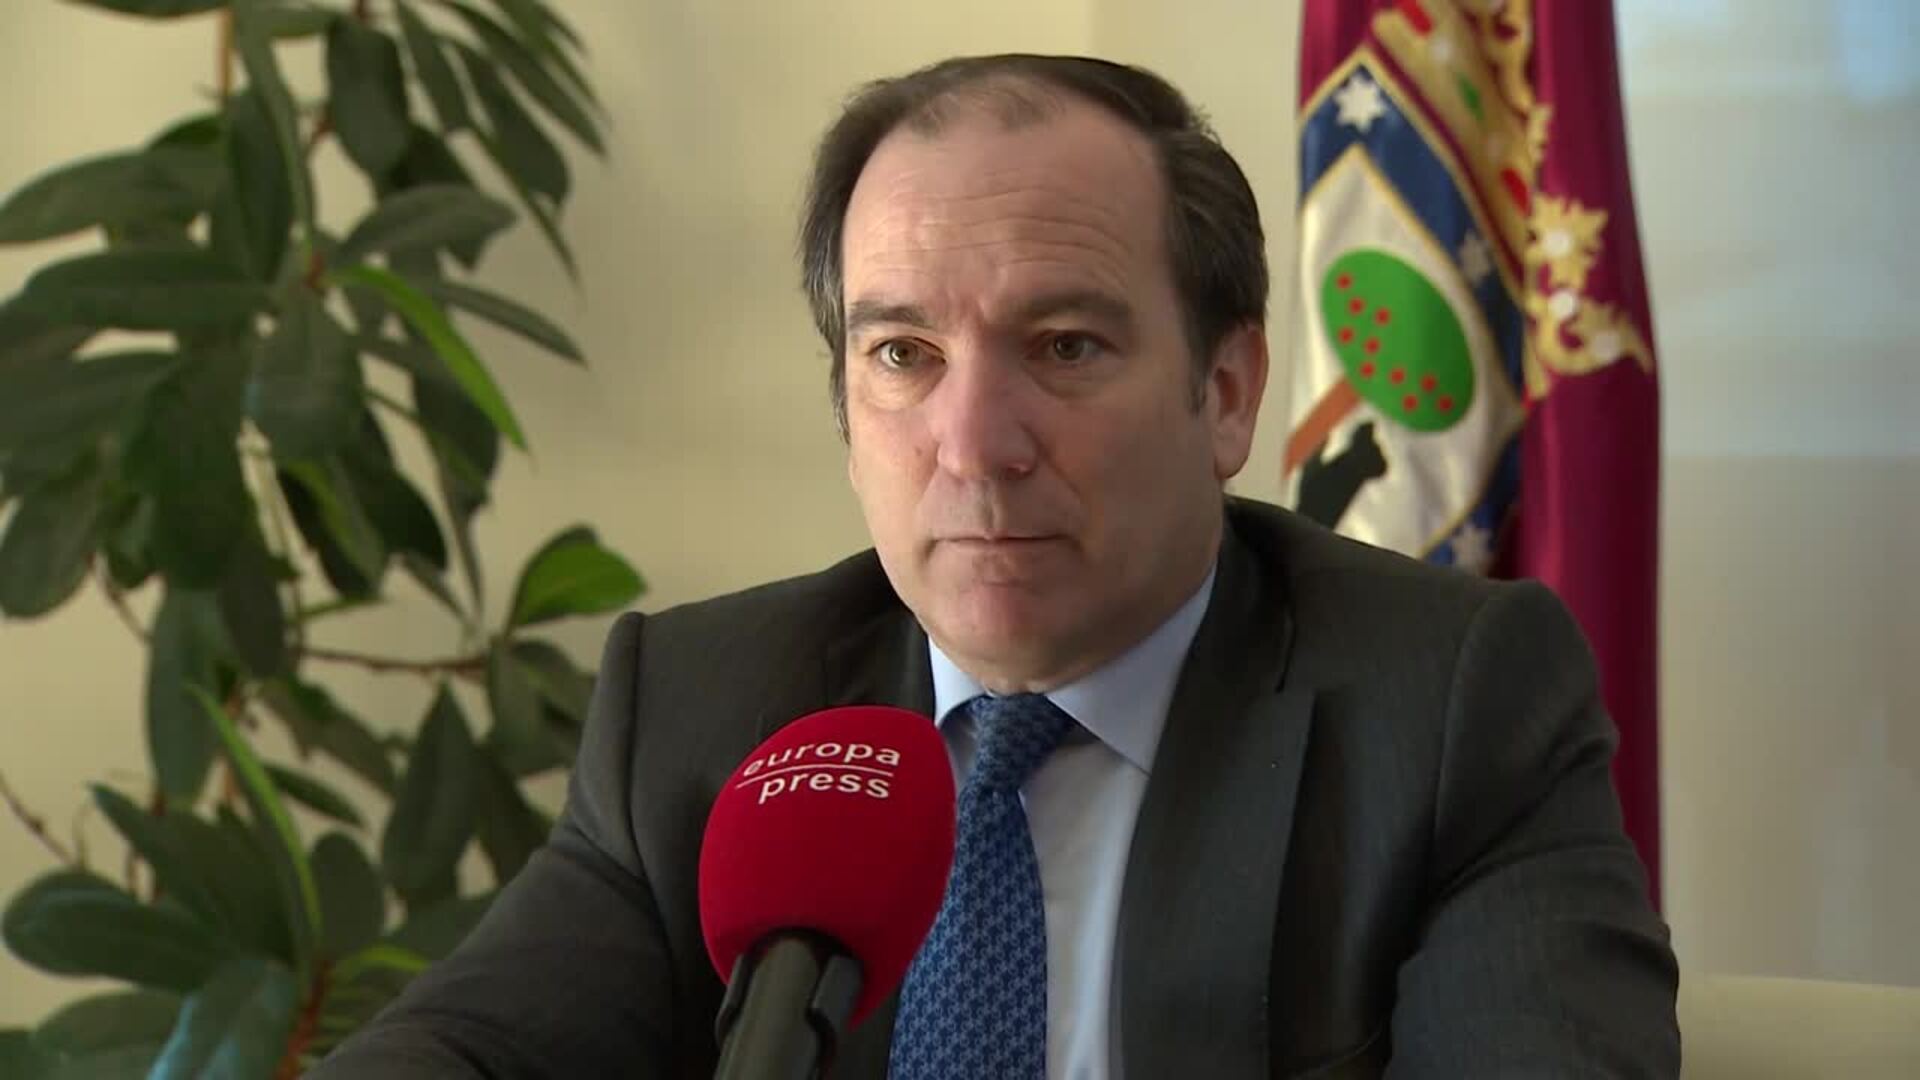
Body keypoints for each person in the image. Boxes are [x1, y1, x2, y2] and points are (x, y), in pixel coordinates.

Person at [314, 54, 1679, 1078]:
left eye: (1066, 346)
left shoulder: (1452, 709)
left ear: (1223, 393)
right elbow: (460, 1052)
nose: (974, 444)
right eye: (903, 355)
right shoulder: (701, 709)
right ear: (845, 404)